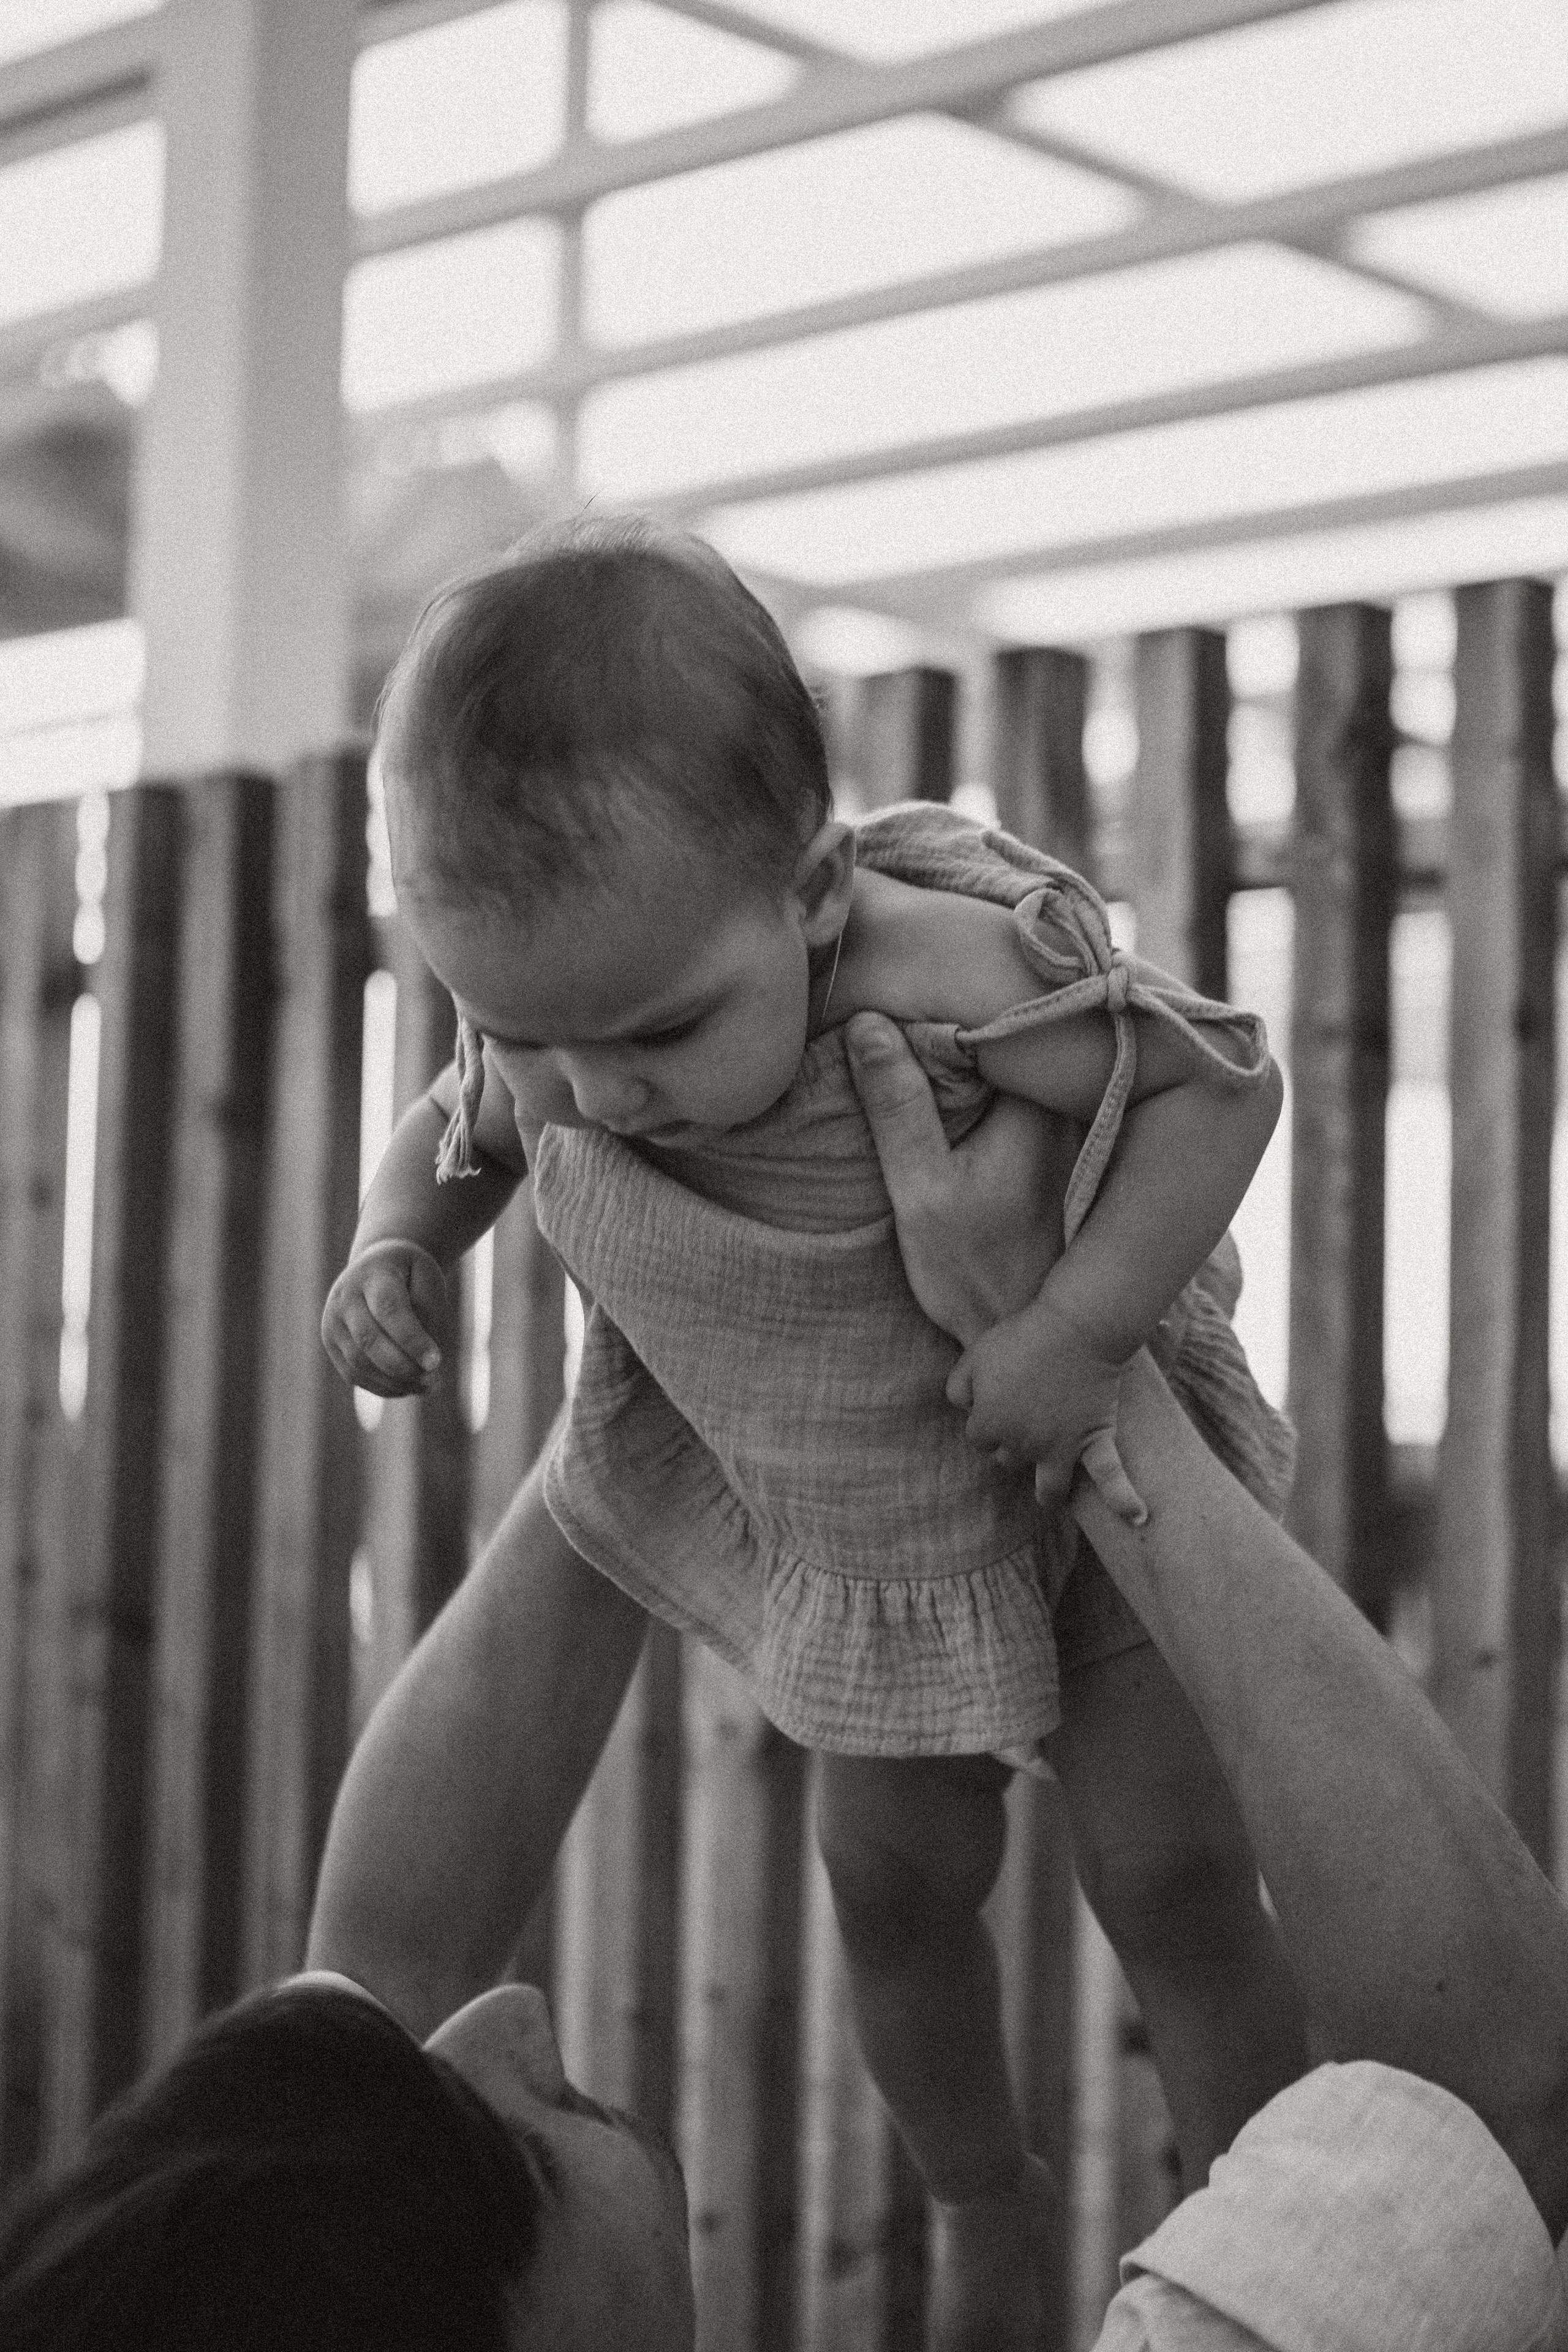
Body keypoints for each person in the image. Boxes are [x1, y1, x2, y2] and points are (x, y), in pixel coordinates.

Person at [4, 1028, 1567, 2349]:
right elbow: (1490, 2118)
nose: (508, 2016)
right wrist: (1071, 1343)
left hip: (963, 1531)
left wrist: (688, 1322)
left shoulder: (282, 2254)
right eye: (497, 2144)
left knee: (1160, 1876)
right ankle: (1018, 2184)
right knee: (904, 1878)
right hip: (962, 1508)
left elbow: (381, 1963)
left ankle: (1165, 2160)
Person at [319, 516, 1303, 2343]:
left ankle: (1260, 2203)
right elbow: (456, 1133)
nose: (601, 1095)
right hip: (879, 1545)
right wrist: (397, 1242)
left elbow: (1214, 1085)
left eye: (665, 1032)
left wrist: (1084, 1332)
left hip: (1085, 1502)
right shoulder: (569, 1026)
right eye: (528, 1035)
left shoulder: (942, 970)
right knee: (889, 1889)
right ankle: (980, 2199)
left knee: (1169, 1873)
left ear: (818, 896)